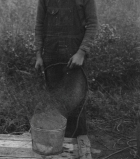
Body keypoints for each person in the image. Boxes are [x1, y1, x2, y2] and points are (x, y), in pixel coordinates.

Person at [34, 0, 98, 138]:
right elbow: (39, 26)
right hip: (51, 56)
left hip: (74, 57)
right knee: (55, 101)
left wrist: (81, 53)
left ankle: (79, 145)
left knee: (76, 102)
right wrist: (39, 55)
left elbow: (92, 25)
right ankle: (57, 141)